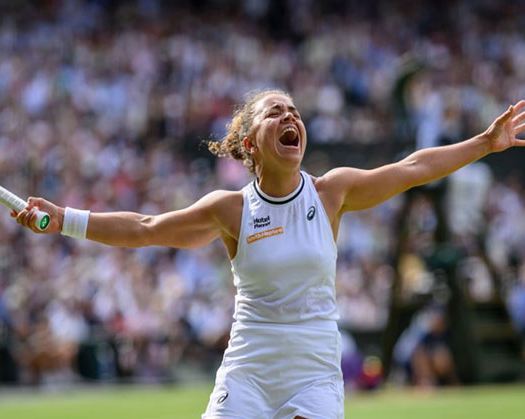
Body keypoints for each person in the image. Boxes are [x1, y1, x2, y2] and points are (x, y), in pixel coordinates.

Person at [13, 89, 525, 418]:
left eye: (295, 112)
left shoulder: (332, 192)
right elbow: (147, 227)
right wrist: (64, 220)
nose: (290, 117)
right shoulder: (229, 209)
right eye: (275, 112)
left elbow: (413, 167)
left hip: (314, 367)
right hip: (250, 369)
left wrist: (484, 141)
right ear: (250, 143)